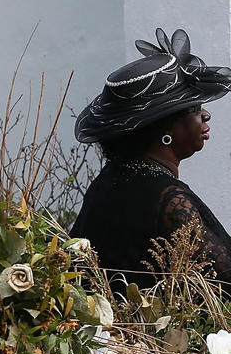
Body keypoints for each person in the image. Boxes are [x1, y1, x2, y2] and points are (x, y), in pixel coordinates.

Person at [71, 28, 231, 284]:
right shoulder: (168, 200)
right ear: (164, 127)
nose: (206, 115)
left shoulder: (108, 181)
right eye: (193, 108)